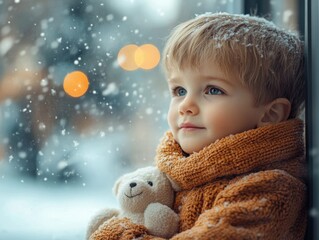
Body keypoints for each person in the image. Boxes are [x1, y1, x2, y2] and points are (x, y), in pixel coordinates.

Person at [89, 12, 306, 239]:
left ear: (270, 114)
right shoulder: (169, 182)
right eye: (179, 91)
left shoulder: (270, 189)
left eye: (213, 90)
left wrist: (121, 233)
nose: (186, 106)